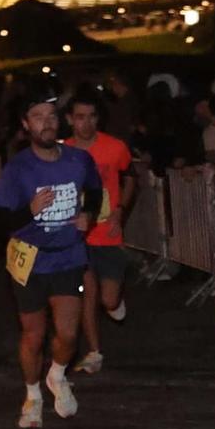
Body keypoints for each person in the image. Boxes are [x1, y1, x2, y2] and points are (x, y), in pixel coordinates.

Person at [0, 94, 102, 428]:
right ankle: (33, 395)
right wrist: (30, 210)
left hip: (68, 257)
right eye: (37, 116)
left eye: (52, 115)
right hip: (30, 261)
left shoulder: (78, 160)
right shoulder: (18, 169)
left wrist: (89, 215)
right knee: (33, 335)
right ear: (26, 125)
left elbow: (95, 192)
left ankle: (56, 375)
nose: (46, 122)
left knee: (68, 335)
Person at [63, 89, 134, 375]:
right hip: (78, 236)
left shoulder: (115, 148)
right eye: (80, 117)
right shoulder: (63, 152)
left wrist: (119, 210)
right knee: (87, 294)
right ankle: (94, 352)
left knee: (108, 299)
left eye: (91, 117)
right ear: (70, 119)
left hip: (108, 233)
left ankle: (115, 303)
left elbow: (130, 178)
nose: (86, 123)